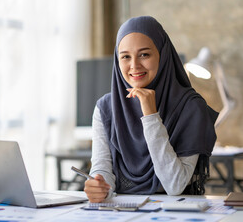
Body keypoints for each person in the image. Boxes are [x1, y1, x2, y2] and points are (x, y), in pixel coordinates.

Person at [84, 16, 218, 203]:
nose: (134, 65)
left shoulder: (191, 107)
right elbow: (102, 168)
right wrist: (99, 186)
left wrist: (150, 115)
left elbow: (175, 185)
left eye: (144, 54)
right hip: (123, 210)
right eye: (125, 57)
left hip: (176, 212)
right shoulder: (105, 108)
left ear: (162, 55)